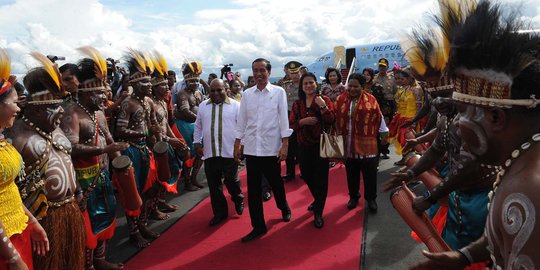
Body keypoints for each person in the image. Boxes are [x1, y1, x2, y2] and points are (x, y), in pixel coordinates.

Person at [411, 1, 540, 269]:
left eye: (462, 112)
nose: (457, 125)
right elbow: (504, 231)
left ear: (495, 117)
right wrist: (464, 256)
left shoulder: (529, 186)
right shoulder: (522, 161)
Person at [7, 52, 85, 269]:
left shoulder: (56, 128)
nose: (61, 111)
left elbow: (67, 159)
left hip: (70, 211)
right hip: (43, 220)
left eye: (61, 104)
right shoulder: (17, 137)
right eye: (53, 106)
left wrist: (77, 190)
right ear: (33, 108)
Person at [60, 47, 128, 269]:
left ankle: (99, 260)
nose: (106, 96)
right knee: (88, 225)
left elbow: (109, 139)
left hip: (102, 175)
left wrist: (121, 166)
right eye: (100, 93)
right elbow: (70, 148)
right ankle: (88, 265)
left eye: (106, 91)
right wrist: (103, 152)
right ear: (86, 92)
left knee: (106, 216)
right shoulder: (71, 113)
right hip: (82, 181)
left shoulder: (99, 113)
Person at [0, 50, 49, 270]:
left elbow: (9, 190)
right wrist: (11, 256)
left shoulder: (3, 140)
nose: (18, 108)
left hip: (17, 230)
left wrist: (32, 222)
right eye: (14, 103)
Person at [234, 58, 292, 242]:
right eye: (255, 71)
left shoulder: (278, 92)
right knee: (253, 190)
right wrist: (237, 144)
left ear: (268, 71)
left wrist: (285, 145)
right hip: (251, 149)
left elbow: (284, 119)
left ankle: (283, 207)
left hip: (271, 148)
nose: (258, 74)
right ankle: (258, 227)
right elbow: (241, 121)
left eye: (262, 70)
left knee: (276, 183)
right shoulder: (247, 94)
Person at [115, 49, 161, 248]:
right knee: (133, 194)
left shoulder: (148, 102)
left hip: (145, 150)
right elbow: (120, 130)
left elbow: (151, 125)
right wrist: (143, 134)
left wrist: (157, 134)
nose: (149, 86)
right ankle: (134, 232)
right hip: (131, 151)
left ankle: (142, 225)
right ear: (134, 84)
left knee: (148, 190)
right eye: (145, 82)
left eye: (150, 82)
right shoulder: (128, 103)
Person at [194, 79, 245, 226]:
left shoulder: (236, 106)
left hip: (230, 153)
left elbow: (243, 128)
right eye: (212, 90)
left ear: (226, 90)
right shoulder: (203, 106)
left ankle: (238, 197)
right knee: (214, 186)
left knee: (231, 181)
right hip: (210, 153)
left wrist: (241, 147)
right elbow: (198, 126)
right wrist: (197, 142)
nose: (215, 93)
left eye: (219, 90)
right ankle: (220, 213)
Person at [289, 72, 335, 228]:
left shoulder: (325, 100)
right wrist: (303, 121)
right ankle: (318, 199)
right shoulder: (297, 104)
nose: (308, 86)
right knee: (307, 175)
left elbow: (331, 120)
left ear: (316, 84)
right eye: (305, 84)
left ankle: (318, 212)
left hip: (321, 145)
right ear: (302, 87)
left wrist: (323, 106)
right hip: (302, 146)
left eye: (311, 82)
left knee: (322, 179)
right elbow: (292, 125)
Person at [335, 73, 382, 213]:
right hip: (349, 145)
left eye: (356, 86)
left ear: (362, 87)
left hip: (368, 146)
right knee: (351, 174)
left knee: (370, 175)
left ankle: (371, 198)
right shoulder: (340, 99)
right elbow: (334, 117)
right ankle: (354, 197)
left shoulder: (371, 99)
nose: (352, 89)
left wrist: (384, 134)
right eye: (350, 86)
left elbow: (379, 118)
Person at [150, 52, 187, 216]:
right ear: (154, 87)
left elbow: (165, 124)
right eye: (163, 85)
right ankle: (153, 209)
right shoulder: (150, 104)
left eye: (167, 84)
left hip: (166, 143)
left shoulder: (163, 102)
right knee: (156, 180)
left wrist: (176, 138)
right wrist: (169, 140)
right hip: (155, 146)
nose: (167, 87)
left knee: (169, 173)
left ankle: (161, 203)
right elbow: (151, 131)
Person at [174, 61, 205, 191]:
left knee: (200, 153)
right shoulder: (182, 94)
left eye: (197, 81)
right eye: (192, 81)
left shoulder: (198, 93)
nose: (195, 84)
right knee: (189, 154)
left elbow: (203, 107)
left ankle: (193, 178)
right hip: (186, 126)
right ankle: (187, 182)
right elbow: (185, 111)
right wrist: (200, 119)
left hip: (196, 125)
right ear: (186, 82)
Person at [388, 68, 422, 165]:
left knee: (408, 141)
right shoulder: (406, 88)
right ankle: (406, 160)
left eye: (403, 79)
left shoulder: (416, 89)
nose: (401, 81)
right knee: (402, 139)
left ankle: (412, 162)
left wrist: (415, 121)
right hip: (403, 118)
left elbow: (419, 107)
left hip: (411, 118)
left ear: (410, 78)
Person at [281, 61, 302, 181]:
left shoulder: (305, 84)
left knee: (302, 147)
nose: (294, 75)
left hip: (302, 117)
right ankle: (290, 173)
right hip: (289, 117)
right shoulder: (285, 86)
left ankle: (304, 171)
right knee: (289, 147)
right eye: (292, 73)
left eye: (296, 72)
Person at [363, 67, 390, 159]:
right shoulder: (360, 87)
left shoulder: (377, 87)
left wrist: (384, 116)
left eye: (368, 75)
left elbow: (383, 102)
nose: (366, 77)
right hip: (363, 117)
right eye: (364, 75)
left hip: (375, 116)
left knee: (376, 137)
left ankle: (377, 157)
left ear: (372, 76)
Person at [373, 58, 396, 158]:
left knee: (387, 128)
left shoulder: (392, 78)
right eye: (380, 66)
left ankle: (385, 149)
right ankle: (377, 149)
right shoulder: (374, 78)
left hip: (389, 105)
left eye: (384, 66)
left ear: (387, 67)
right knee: (377, 127)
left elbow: (395, 92)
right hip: (377, 104)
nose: (382, 68)